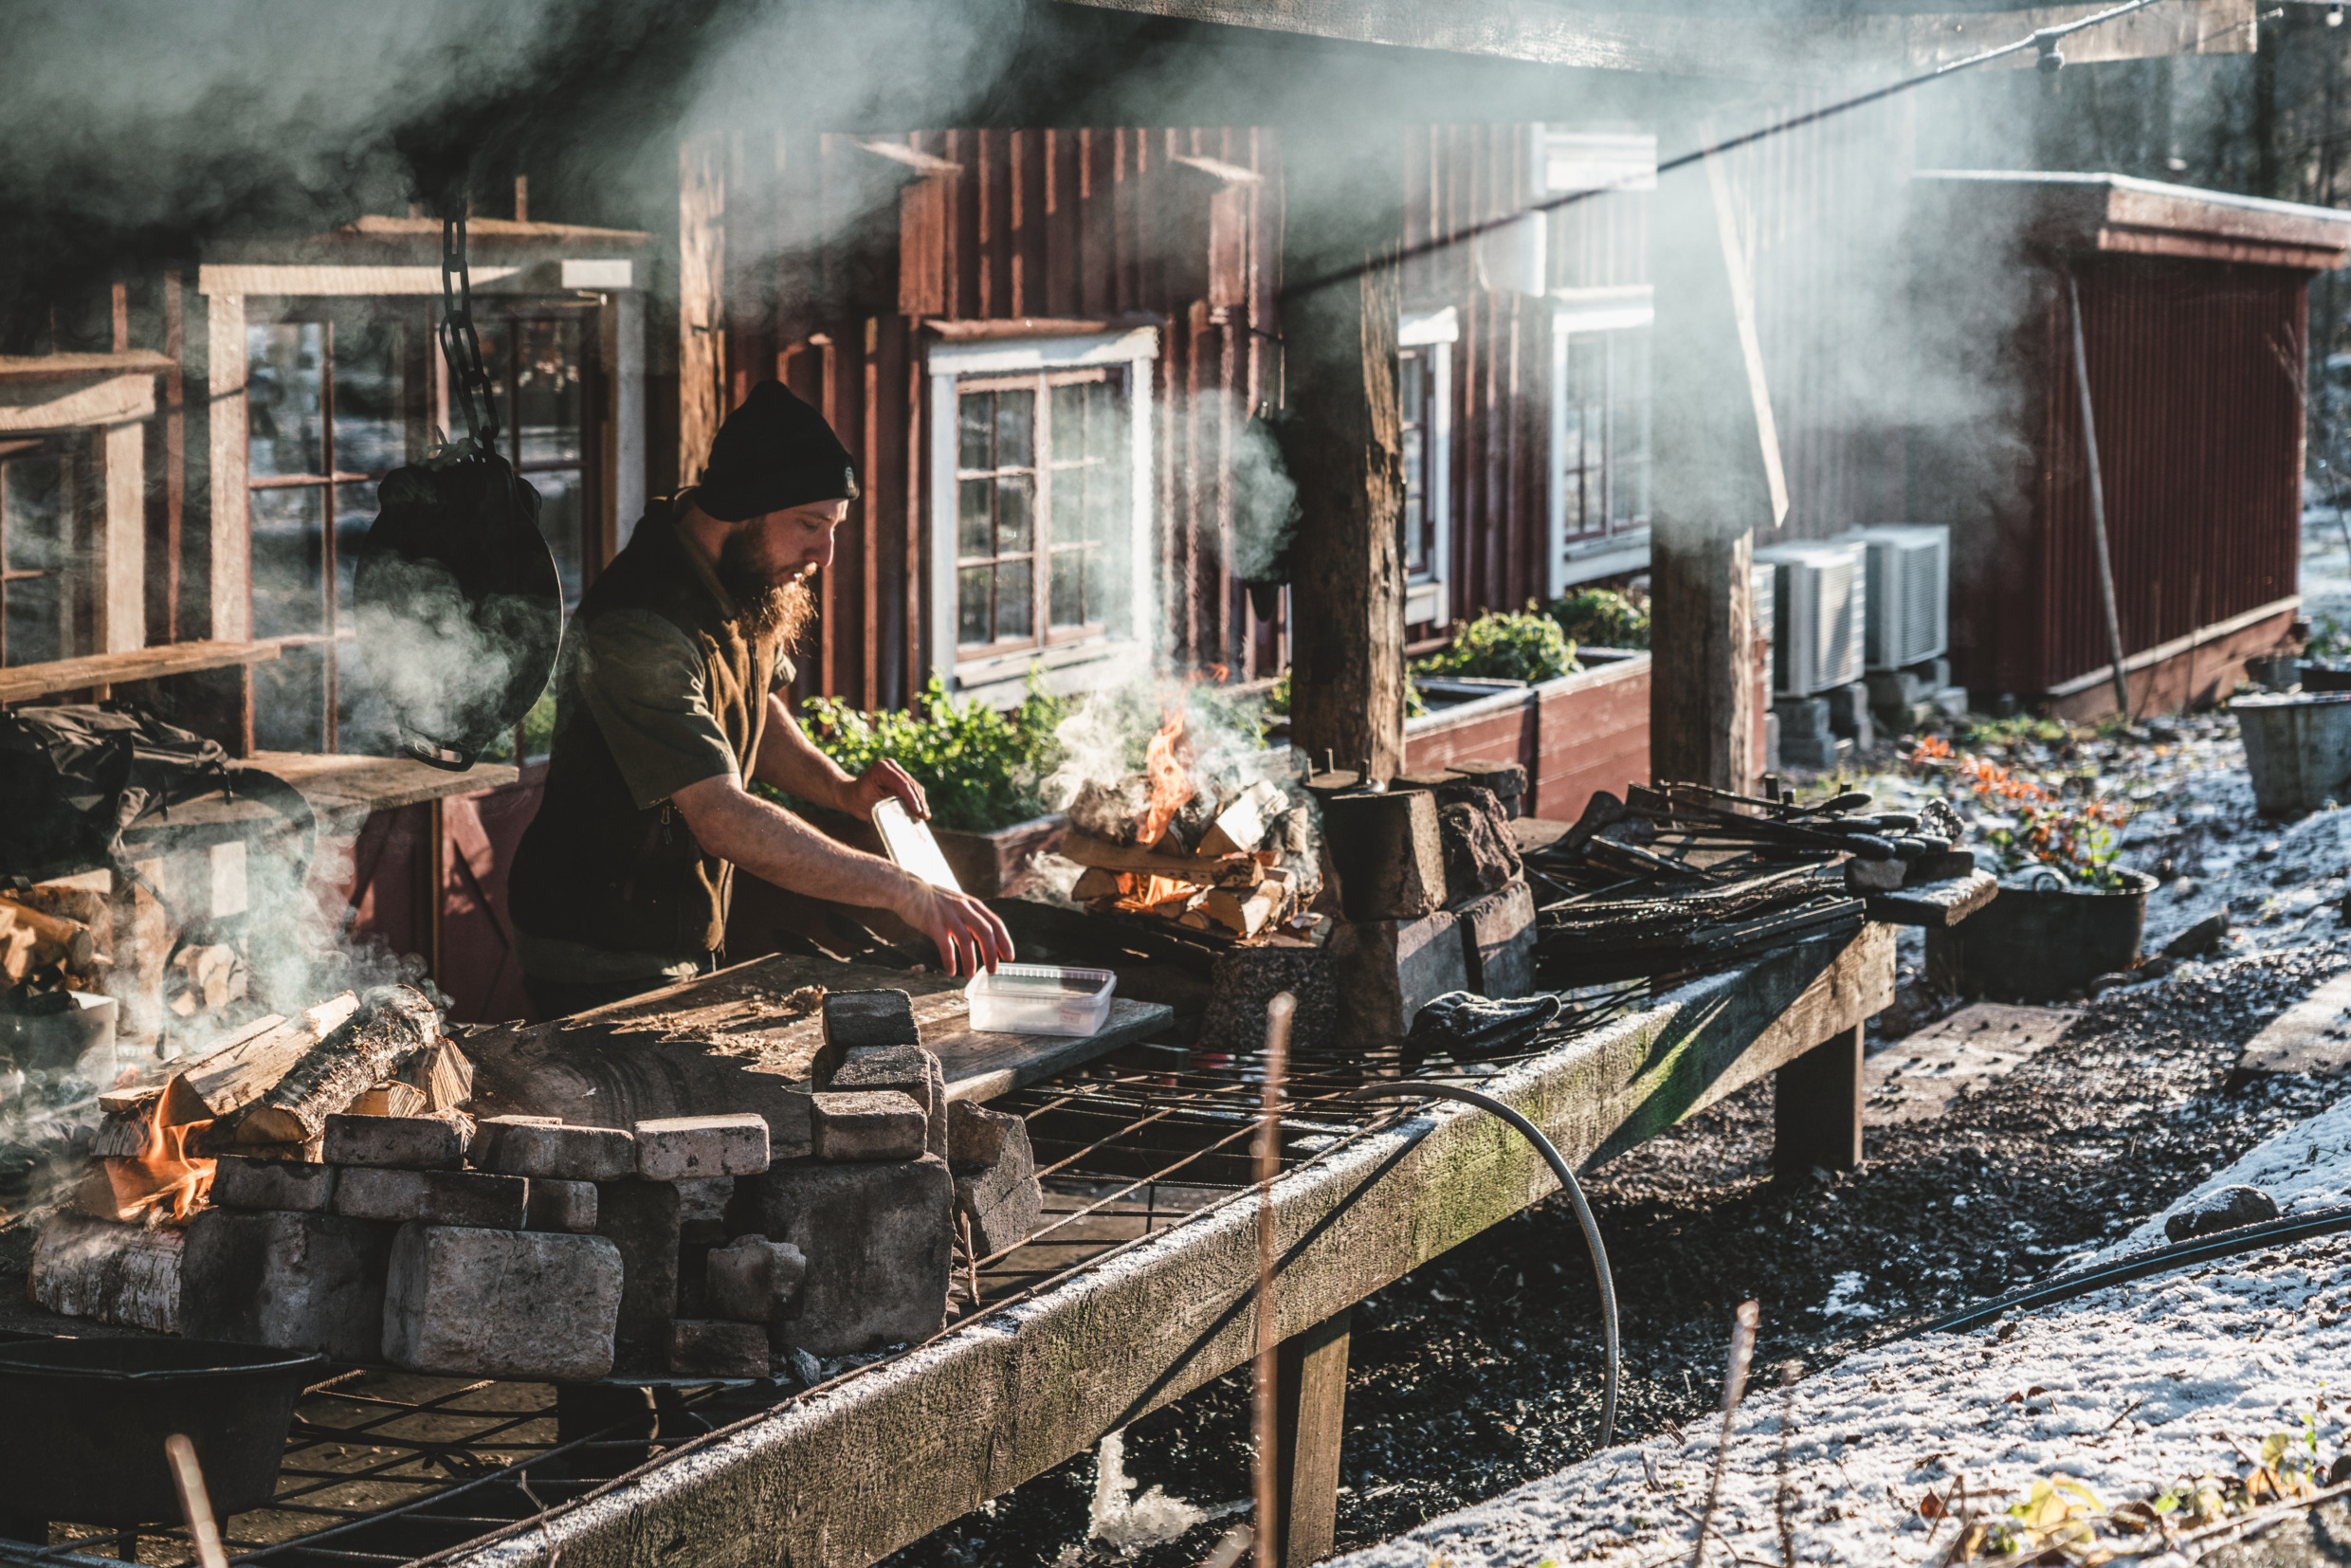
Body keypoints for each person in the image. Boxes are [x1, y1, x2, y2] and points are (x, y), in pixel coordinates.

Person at [508, 381, 1013, 1020]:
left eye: (833, 528)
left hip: (680, 928)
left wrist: (839, 789)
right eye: (810, 525)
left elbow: (756, 712)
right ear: (745, 505)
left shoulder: (740, 577)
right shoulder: (638, 625)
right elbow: (719, 815)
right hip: (596, 942)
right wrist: (904, 892)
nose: (824, 554)